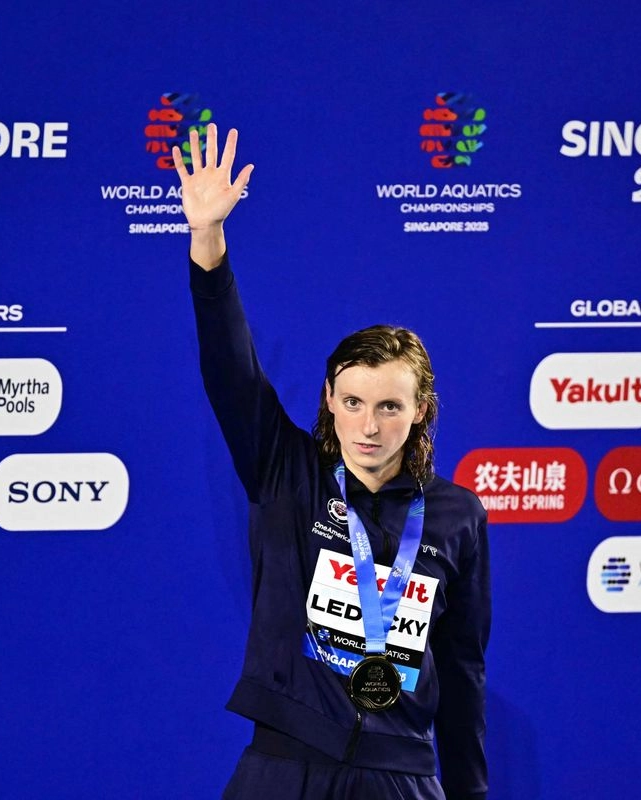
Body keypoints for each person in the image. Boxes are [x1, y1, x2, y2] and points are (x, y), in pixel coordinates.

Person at [175, 124, 490, 800]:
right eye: (351, 402)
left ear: (421, 410)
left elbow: (462, 671)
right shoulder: (286, 470)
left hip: (400, 775)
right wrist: (209, 246)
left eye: (387, 407)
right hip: (284, 769)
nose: (367, 426)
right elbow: (231, 370)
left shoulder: (458, 514)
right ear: (329, 398)